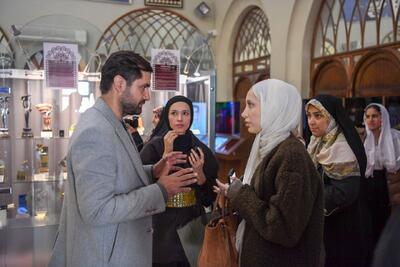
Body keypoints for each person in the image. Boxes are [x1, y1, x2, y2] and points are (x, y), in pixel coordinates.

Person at [48, 51, 198, 267]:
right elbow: (97, 210)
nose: (147, 95)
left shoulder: (113, 123)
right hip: (106, 258)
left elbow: (117, 176)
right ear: (119, 83)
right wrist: (161, 191)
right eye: (143, 87)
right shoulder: (96, 130)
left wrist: (153, 171)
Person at [215, 79, 324, 267]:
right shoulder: (272, 148)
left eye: (251, 105)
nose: (243, 113)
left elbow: (281, 227)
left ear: (274, 108)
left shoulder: (291, 156)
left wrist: (240, 193)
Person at [140, 95, 218, 267]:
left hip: (191, 221)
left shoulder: (201, 149)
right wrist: (165, 156)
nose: (180, 119)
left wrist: (200, 175)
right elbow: (141, 189)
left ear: (192, 117)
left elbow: (209, 198)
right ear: (167, 116)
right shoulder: (153, 147)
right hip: (160, 224)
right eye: (174, 113)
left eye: (185, 113)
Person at [306, 95, 372, 267]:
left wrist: (307, 194)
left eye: (318, 116)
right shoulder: (316, 143)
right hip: (323, 226)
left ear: (331, 118)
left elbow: (344, 194)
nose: (311, 121)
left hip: (344, 226)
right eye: (309, 115)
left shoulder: (343, 147)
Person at [363, 103, 400, 245]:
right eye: (367, 116)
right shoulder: (364, 139)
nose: (370, 120)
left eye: (374, 116)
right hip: (371, 187)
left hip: (390, 186)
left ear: (382, 118)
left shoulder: (395, 138)